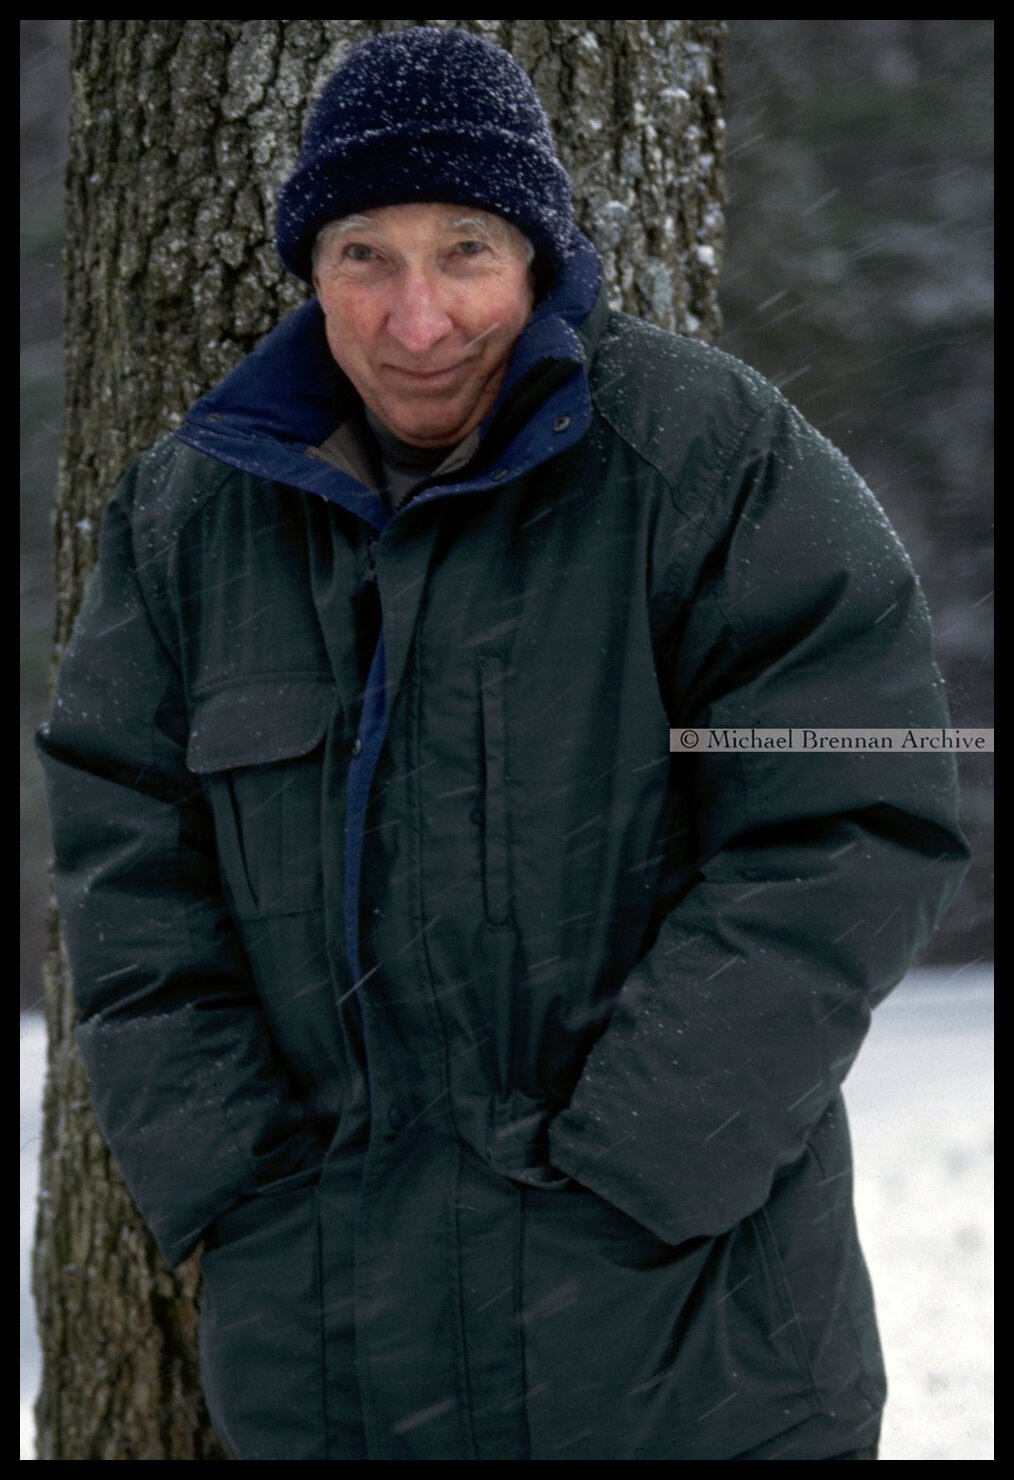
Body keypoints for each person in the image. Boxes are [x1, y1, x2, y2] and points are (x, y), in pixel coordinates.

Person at [37, 25, 970, 1463]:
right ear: (308, 272)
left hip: (684, 1352)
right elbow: (127, 871)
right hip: (331, 1362)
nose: (417, 320)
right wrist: (242, 1184)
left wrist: (643, 1166)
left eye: (463, 251)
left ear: (536, 256)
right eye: (365, 256)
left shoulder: (707, 457)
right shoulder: (190, 523)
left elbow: (856, 807)